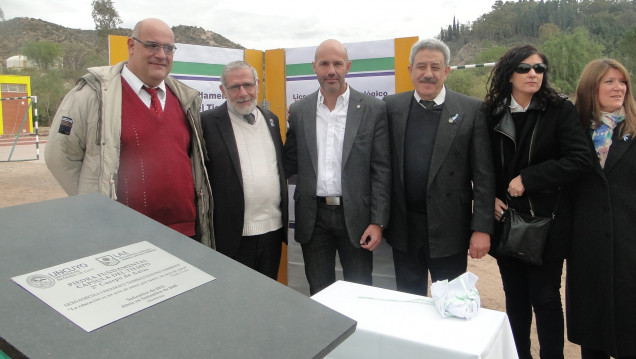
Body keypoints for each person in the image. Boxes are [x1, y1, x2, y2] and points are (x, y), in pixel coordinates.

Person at [45, 18, 213, 247]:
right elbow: (59, 156)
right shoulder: (93, 93)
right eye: (152, 45)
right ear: (131, 46)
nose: (161, 55)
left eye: (168, 48)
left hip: (185, 234)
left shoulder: (185, 99)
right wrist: (95, 204)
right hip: (123, 237)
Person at [484, 45, 591, 359]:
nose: (533, 74)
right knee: (515, 298)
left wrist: (529, 178)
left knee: (544, 298)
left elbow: (580, 159)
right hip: (506, 221)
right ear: (509, 74)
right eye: (525, 68)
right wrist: (487, 194)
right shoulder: (493, 112)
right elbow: (481, 162)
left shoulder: (559, 109)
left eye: (539, 69)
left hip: (548, 222)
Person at [383, 38, 495, 296]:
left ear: (446, 71)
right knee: (409, 303)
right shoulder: (391, 107)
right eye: (421, 66)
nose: (428, 74)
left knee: (453, 305)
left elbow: (484, 177)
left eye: (435, 67)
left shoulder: (471, 110)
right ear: (410, 71)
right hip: (405, 230)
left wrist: (481, 228)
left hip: (450, 231)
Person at [284, 39, 391, 295]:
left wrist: (378, 222)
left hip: (355, 218)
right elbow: (289, 161)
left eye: (337, 63)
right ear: (314, 67)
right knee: (320, 293)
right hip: (314, 217)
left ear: (348, 66)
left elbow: (381, 170)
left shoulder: (373, 109)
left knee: (360, 291)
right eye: (324, 64)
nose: (331, 70)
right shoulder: (299, 111)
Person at [567, 58, 636, 359]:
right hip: (587, 247)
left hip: (629, 246)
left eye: (622, 82)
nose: (618, 87)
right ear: (591, 87)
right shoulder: (574, 133)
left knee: (629, 332)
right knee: (592, 335)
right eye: (609, 81)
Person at [200, 61, 287, 280]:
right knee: (235, 301)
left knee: (268, 297)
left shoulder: (271, 120)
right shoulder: (207, 123)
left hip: (272, 232)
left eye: (248, 85)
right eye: (234, 87)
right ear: (222, 90)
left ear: (257, 85)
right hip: (233, 236)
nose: (243, 93)